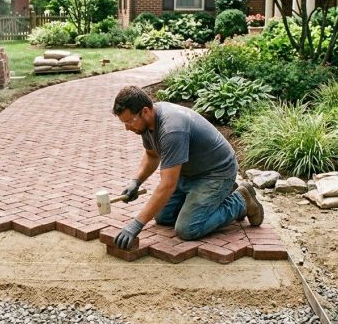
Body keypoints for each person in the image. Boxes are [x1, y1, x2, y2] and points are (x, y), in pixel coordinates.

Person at [111, 85, 263, 250]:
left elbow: (168, 185)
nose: (127, 128)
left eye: (129, 121)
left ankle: (241, 200)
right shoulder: (147, 124)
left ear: (146, 111)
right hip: (189, 173)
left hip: (215, 173)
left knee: (188, 229)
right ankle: (215, 197)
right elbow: (152, 155)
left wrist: (136, 225)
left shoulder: (171, 129)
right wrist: (136, 181)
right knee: (162, 217)